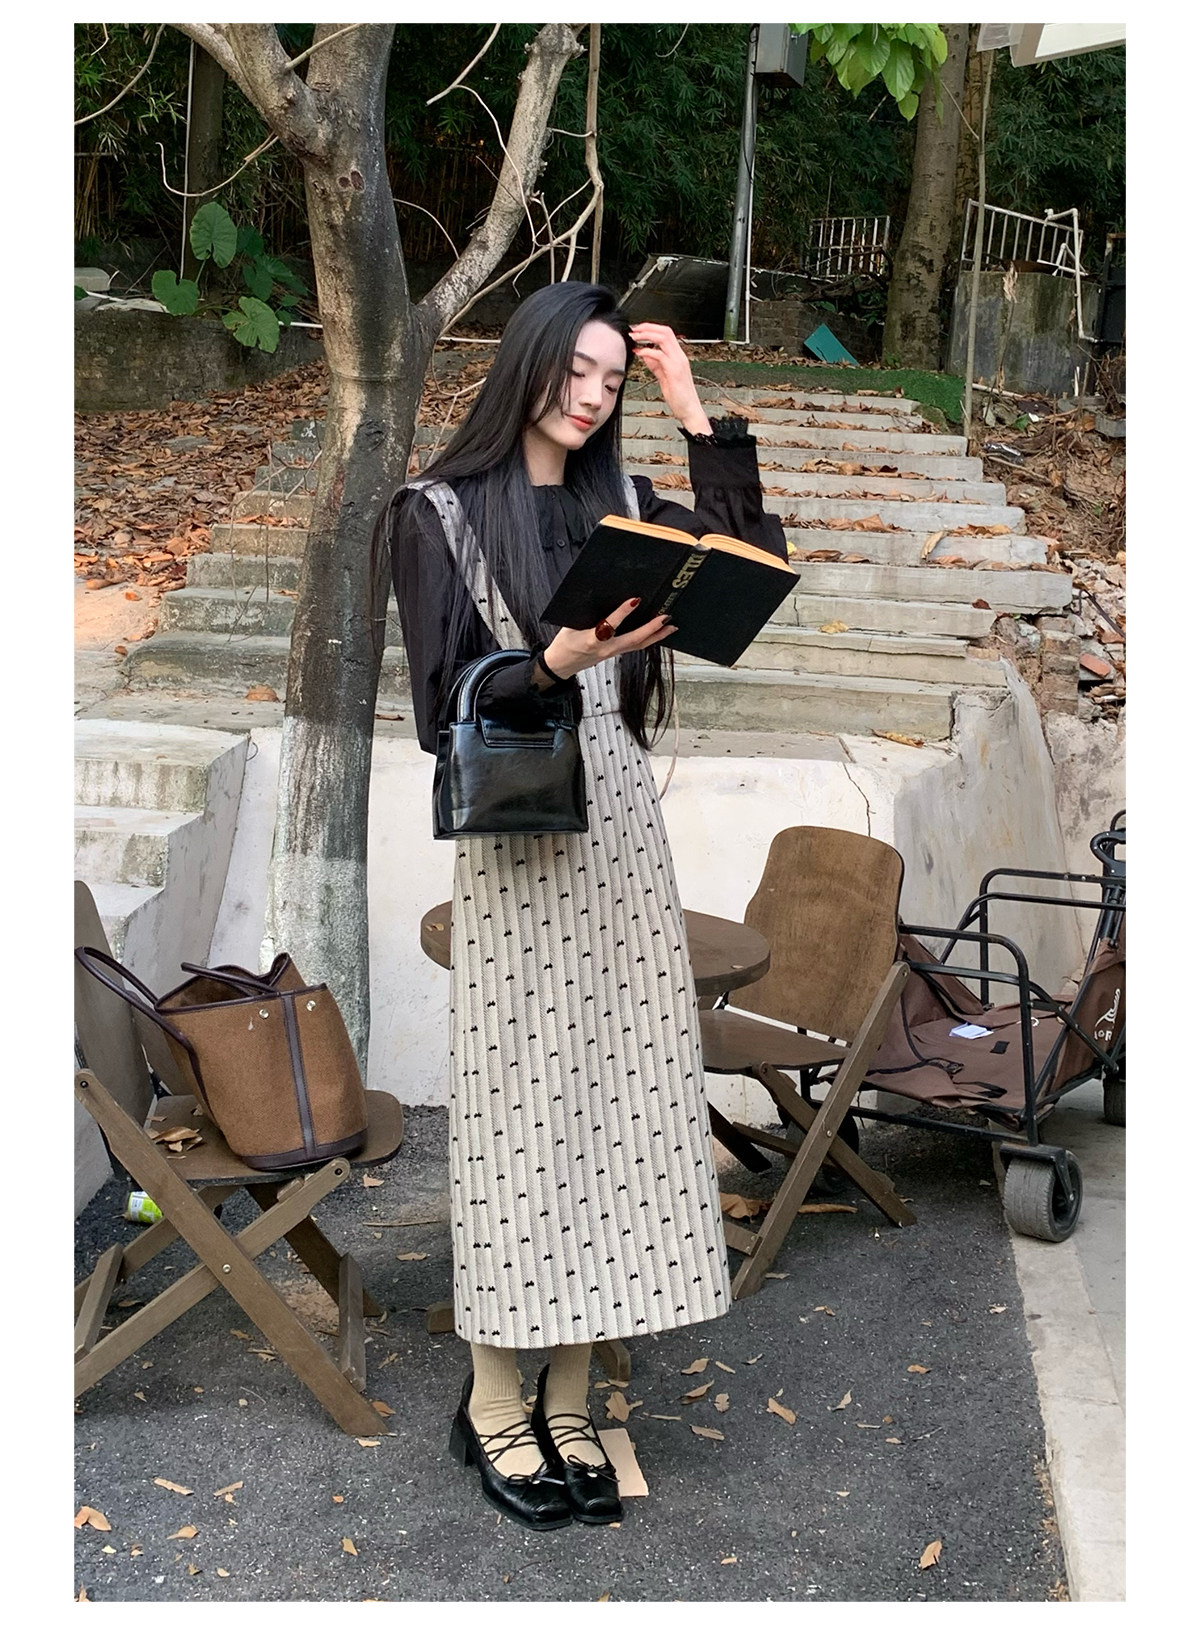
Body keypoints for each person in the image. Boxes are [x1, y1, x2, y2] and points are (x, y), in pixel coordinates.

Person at [380, 283, 789, 1531]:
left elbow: (750, 573)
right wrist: (554, 661)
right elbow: (441, 703)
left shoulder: (625, 505)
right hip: (518, 839)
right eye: (580, 369)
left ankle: (567, 1395)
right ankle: (495, 1396)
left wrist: (694, 411)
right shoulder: (436, 511)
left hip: (622, 839)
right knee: (519, 1116)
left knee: (616, 1110)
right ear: (533, 361)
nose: (593, 394)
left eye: (614, 378)